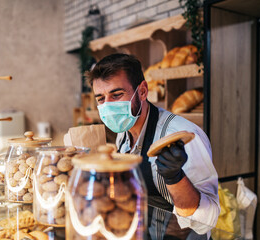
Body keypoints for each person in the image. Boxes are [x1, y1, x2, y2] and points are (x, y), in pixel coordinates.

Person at [85, 53, 220, 236]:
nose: (108, 106)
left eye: (116, 95)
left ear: (142, 91)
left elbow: (206, 220)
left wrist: (175, 177)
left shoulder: (182, 136)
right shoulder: (123, 135)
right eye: (101, 99)